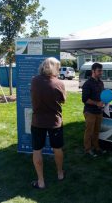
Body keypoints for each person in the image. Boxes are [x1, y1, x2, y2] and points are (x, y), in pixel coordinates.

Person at [30, 57, 66, 189]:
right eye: (58, 67)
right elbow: (63, 100)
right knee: (57, 148)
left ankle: (41, 181)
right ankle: (60, 173)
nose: (59, 69)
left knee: (37, 150)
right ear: (54, 67)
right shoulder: (59, 83)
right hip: (54, 122)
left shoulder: (34, 80)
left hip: (38, 121)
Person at [82, 62, 106, 157]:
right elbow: (84, 99)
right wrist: (97, 103)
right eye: (99, 71)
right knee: (89, 131)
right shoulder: (87, 84)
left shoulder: (101, 82)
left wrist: (105, 101)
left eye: (101, 71)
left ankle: (96, 147)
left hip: (99, 111)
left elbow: (102, 95)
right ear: (93, 71)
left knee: (96, 131)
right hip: (90, 112)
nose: (101, 73)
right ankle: (87, 149)